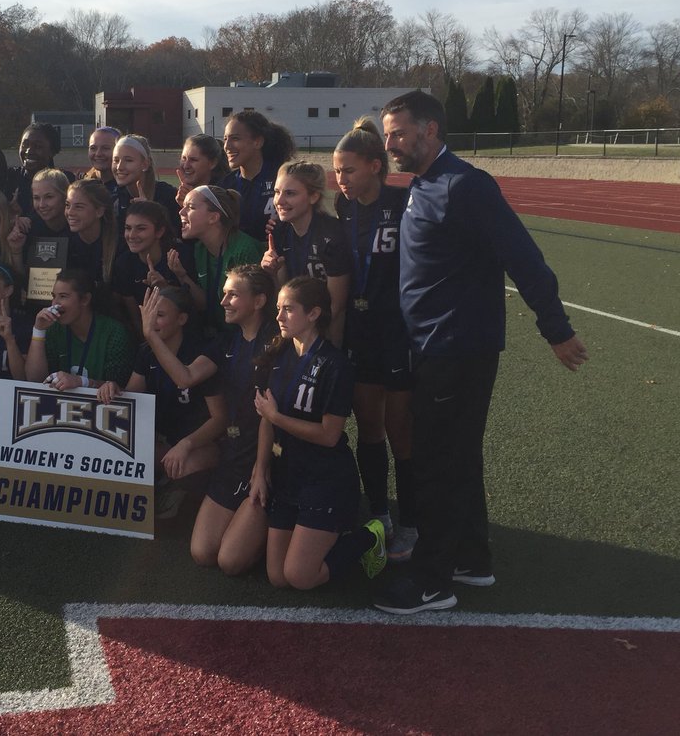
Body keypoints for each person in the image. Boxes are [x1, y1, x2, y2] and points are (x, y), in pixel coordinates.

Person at [373, 90, 588, 615]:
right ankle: (472, 559)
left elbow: (524, 258)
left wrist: (555, 329)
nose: (390, 143)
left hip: (456, 349)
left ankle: (432, 580)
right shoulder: (422, 185)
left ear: (429, 130)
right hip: (431, 346)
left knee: (437, 462)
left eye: (398, 133)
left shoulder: (466, 185)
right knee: (459, 458)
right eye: (387, 134)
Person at [137, 266, 279, 573]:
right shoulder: (226, 342)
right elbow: (185, 377)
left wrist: (262, 467)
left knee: (230, 561)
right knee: (203, 553)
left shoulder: (278, 342)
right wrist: (151, 336)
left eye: (233, 295)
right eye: (224, 293)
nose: (224, 301)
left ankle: (276, 525)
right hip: (234, 454)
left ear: (258, 301)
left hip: (268, 459)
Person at [250, 276, 386, 590]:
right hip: (288, 475)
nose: (279, 317)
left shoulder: (335, 365)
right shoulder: (279, 355)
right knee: (277, 576)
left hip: (325, 479)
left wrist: (276, 417)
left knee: (300, 577)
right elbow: (265, 421)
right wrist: (260, 470)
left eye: (289, 310)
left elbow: (329, 435)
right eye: (279, 309)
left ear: (313, 314)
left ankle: (369, 535)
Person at [333, 117, 417, 562]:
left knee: (400, 432)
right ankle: (381, 513)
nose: (341, 179)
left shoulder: (405, 201)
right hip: (359, 331)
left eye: (348, 170)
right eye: (337, 171)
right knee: (368, 428)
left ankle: (413, 522)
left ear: (375, 166)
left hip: (396, 331)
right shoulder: (343, 208)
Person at [97, 286, 223, 519]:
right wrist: (111, 387)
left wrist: (186, 444)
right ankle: (161, 487)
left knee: (181, 468)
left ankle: (182, 495)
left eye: (160, 315)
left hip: (199, 443)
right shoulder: (147, 352)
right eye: (149, 313)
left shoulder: (203, 350)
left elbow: (220, 418)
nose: (152, 321)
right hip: (161, 440)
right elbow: (133, 397)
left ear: (182, 319)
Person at [260, 161, 351, 347]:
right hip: (296, 325)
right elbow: (283, 290)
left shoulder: (331, 234)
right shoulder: (279, 231)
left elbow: (337, 307)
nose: (279, 200)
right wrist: (272, 272)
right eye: (277, 192)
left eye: (290, 193)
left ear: (313, 196)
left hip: (326, 330)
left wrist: (321, 345)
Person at [173, 185, 263, 336]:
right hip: (221, 334)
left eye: (190, 207)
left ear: (213, 217)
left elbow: (256, 309)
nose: (181, 212)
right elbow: (205, 303)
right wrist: (182, 276)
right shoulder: (200, 249)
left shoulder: (243, 250)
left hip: (246, 335)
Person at [25, 269, 133, 390]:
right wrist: (38, 330)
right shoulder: (53, 329)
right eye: (54, 297)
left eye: (63, 296)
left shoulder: (114, 332)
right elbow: (35, 380)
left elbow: (119, 387)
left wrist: (82, 382)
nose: (55, 304)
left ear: (85, 299)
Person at [111, 200, 191, 336]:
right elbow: (135, 317)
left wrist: (166, 289)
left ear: (159, 232)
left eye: (141, 228)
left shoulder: (178, 256)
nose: (131, 235)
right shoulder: (124, 264)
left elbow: (193, 308)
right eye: (128, 228)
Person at [220, 110, 296, 244]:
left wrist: (286, 226)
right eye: (225, 139)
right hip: (238, 262)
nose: (227, 146)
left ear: (258, 142)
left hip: (277, 259)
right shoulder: (225, 185)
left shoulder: (284, 179)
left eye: (235, 138)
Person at [112, 134, 181, 241]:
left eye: (128, 160)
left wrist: (150, 212)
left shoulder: (167, 195)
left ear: (145, 164)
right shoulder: (116, 198)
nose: (119, 167)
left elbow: (178, 238)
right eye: (116, 160)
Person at [64, 178, 118, 291]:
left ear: (99, 211)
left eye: (79, 207)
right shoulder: (66, 244)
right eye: (68, 205)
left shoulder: (118, 247)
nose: (70, 212)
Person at [13, 122, 75, 216]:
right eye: (25, 144)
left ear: (52, 151)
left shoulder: (66, 181)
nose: (29, 151)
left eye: (38, 146)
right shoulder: (10, 178)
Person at [7, 168, 70, 259]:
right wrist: (16, 251)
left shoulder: (78, 227)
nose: (42, 205)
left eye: (49, 197)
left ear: (66, 196)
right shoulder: (27, 229)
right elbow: (19, 272)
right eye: (36, 198)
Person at [175, 134, 230, 207]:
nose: (186, 166)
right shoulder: (178, 197)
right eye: (184, 158)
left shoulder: (223, 198)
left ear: (212, 163)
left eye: (193, 160)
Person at [82, 126, 120, 195]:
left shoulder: (128, 189)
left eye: (105, 148)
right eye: (93, 148)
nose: (98, 154)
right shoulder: (84, 187)